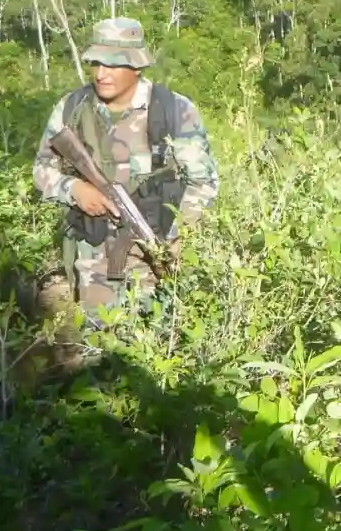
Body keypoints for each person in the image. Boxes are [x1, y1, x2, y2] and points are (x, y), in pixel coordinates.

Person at [32, 17, 219, 323]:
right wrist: (74, 189)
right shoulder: (72, 108)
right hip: (92, 261)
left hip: (154, 259)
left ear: (136, 66)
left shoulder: (173, 110)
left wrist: (174, 236)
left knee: (156, 346)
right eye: (96, 63)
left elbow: (204, 183)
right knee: (98, 349)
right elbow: (42, 169)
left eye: (113, 64)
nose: (101, 74)